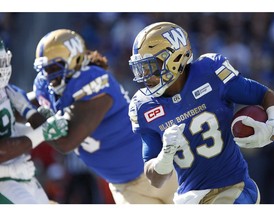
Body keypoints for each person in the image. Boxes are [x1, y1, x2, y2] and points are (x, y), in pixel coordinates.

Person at [128, 21, 274, 204]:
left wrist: (273, 128)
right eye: (141, 69)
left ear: (175, 58)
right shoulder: (143, 106)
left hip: (233, 189)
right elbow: (155, 179)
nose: (146, 76)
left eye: (151, 66)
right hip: (188, 199)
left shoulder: (210, 72)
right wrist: (163, 158)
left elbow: (267, 95)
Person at [28, 29, 178, 204]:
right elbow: (23, 101)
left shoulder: (93, 79)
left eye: (54, 67)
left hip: (160, 170)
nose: (48, 75)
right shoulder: (47, 87)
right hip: (124, 188)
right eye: (44, 69)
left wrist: (29, 113)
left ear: (75, 60)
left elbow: (66, 142)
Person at [0, 38, 68, 204]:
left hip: (21, 173)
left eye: (2, 61)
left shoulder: (6, 90)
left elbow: (9, 131)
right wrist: (43, 132)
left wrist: (35, 120)